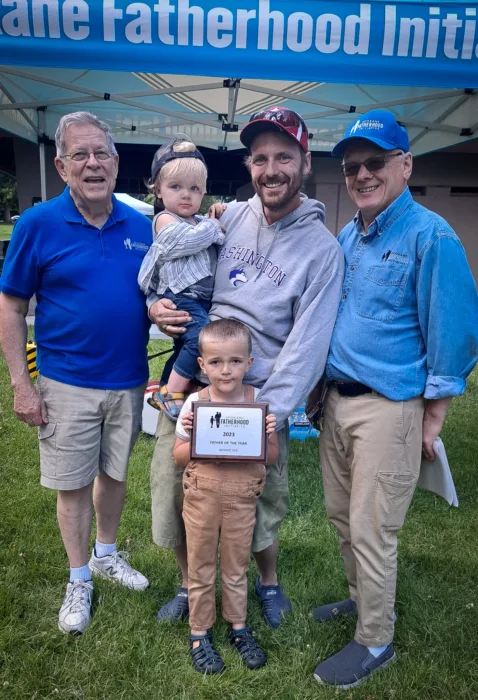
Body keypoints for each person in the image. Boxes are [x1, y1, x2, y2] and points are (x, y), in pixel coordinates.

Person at [148, 107, 345, 628]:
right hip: (198, 386)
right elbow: (173, 264)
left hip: (258, 400)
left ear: (304, 162)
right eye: (260, 158)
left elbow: (308, 346)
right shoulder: (228, 218)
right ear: (249, 165)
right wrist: (157, 307)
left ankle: (268, 583)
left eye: (284, 156)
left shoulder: (323, 252)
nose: (271, 169)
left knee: (259, 502)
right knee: (177, 490)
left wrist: (266, 415)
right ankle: (190, 586)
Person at [312, 109, 478, 689]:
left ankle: (375, 641)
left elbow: (453, 334)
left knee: (372, 527)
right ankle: (364, 603)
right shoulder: (348, 233)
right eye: (352, 166)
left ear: (404, 165)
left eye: (374, 162)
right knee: (341, 519)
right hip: (336, 404)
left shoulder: (431, 235)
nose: (361, 174)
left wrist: (433, 416)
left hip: (389, 408)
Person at [0, 111, 152, 635]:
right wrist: (22, 385)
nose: (93, 164)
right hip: (66, 383)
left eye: (102, 154)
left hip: (130, 380)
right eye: (81, 155)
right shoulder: (37, 224)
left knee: (114, 476)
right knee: (72, 486)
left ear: (116, 162)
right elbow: (12, 306)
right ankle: (79, 577)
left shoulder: (144, 225)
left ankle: (107, 554)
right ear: (62, 166)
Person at [174, 319, 278, 673]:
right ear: (201, 365)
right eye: (216, 362)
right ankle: (199, 632)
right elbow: (177, 456)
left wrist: (267, 435)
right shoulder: (194, 404)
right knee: (201, 564)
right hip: (202, 494)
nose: (226, 370)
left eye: (235, 361)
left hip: (242, 498)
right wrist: (192, 435)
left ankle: (238, 626)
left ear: (249, 363)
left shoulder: (257, 402)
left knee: (235, 567)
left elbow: (274, 456)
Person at [138, 137, 225, 420]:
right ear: (158, 191)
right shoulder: (165, 220)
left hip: (198, 299)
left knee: (183, 346)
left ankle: (168, 386)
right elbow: (190, 242)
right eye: (176, 187)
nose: (185, 195)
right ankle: (169, 393)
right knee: (200, 339)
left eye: (194, 188)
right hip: (180, 296)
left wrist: (220, 214)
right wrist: (213, 224)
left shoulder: (199, 222)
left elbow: (219, 237)